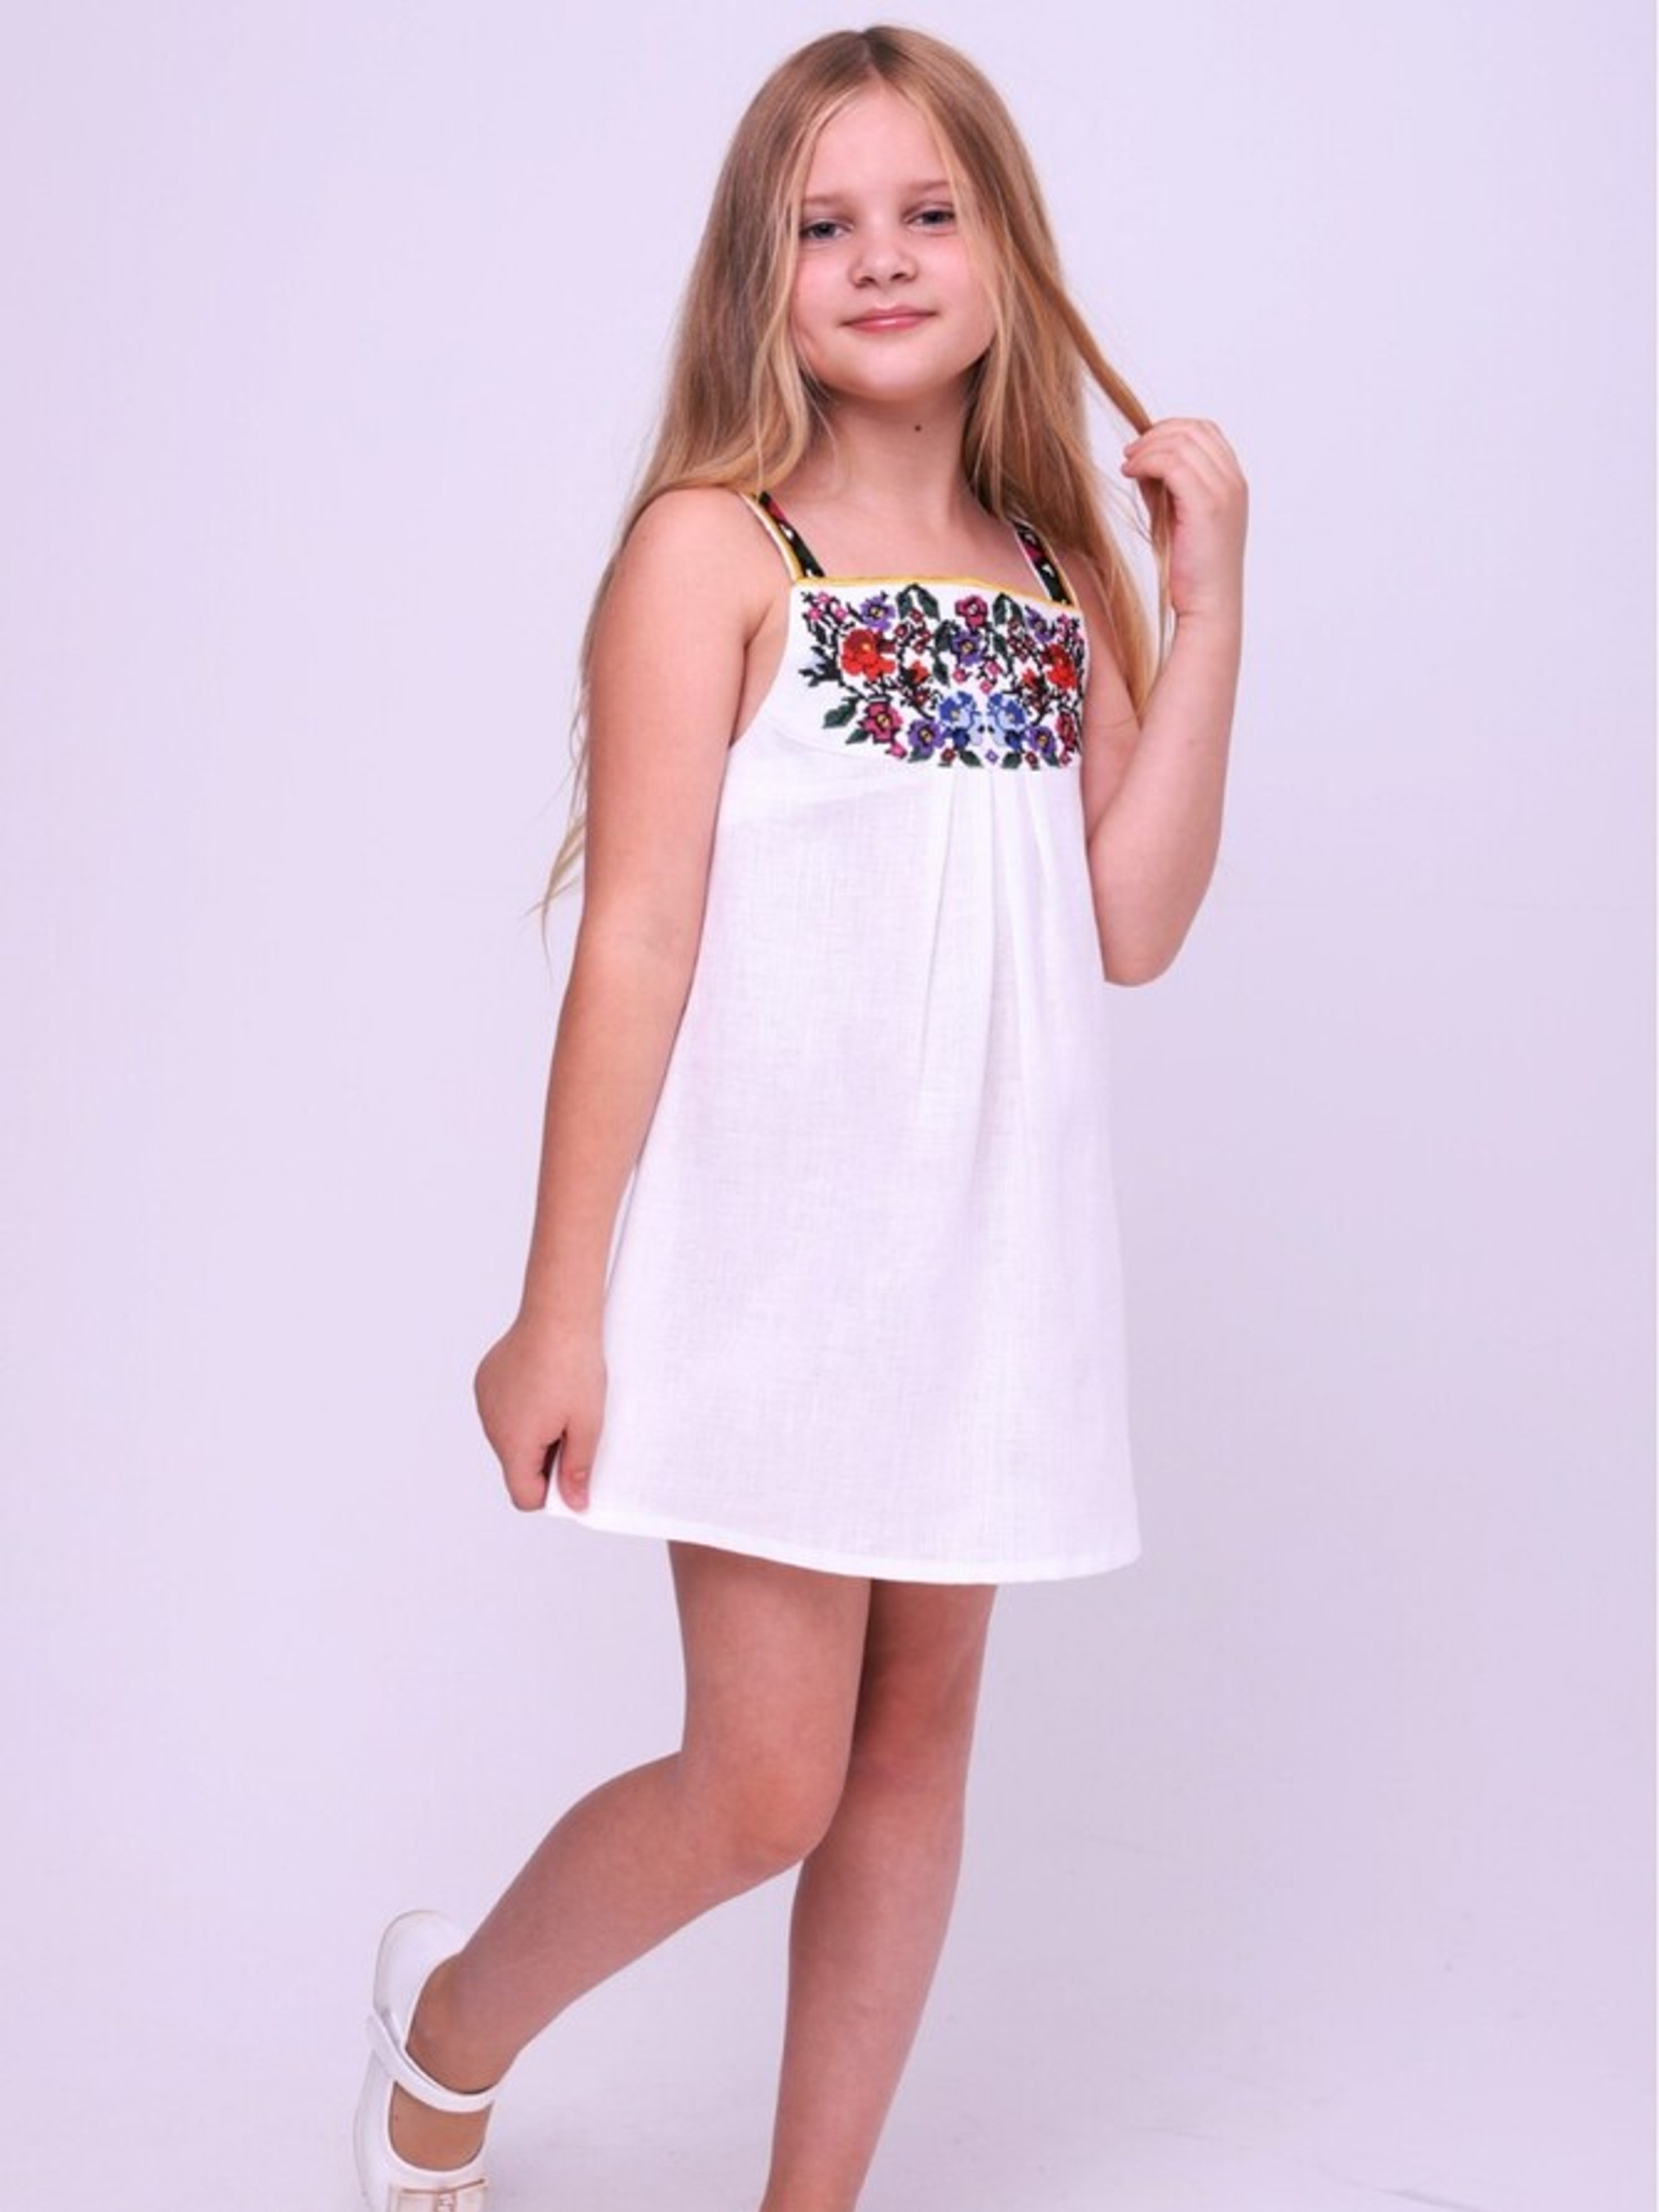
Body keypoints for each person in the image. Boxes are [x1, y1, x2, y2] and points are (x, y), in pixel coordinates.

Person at [354, 22, 1247, 2212]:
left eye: (927, 211)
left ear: (1005, 249)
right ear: (760, 272)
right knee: (765, 1781)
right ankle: (445, 2024)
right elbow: (637, 938)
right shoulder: (715, 553)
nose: (882, 257)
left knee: (910, 1758)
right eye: (824, 223)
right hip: (777, 1258)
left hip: (989, 1260)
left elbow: (1132, 923)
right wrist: (556, 1308)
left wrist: (1209, 604)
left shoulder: (1051, 576)